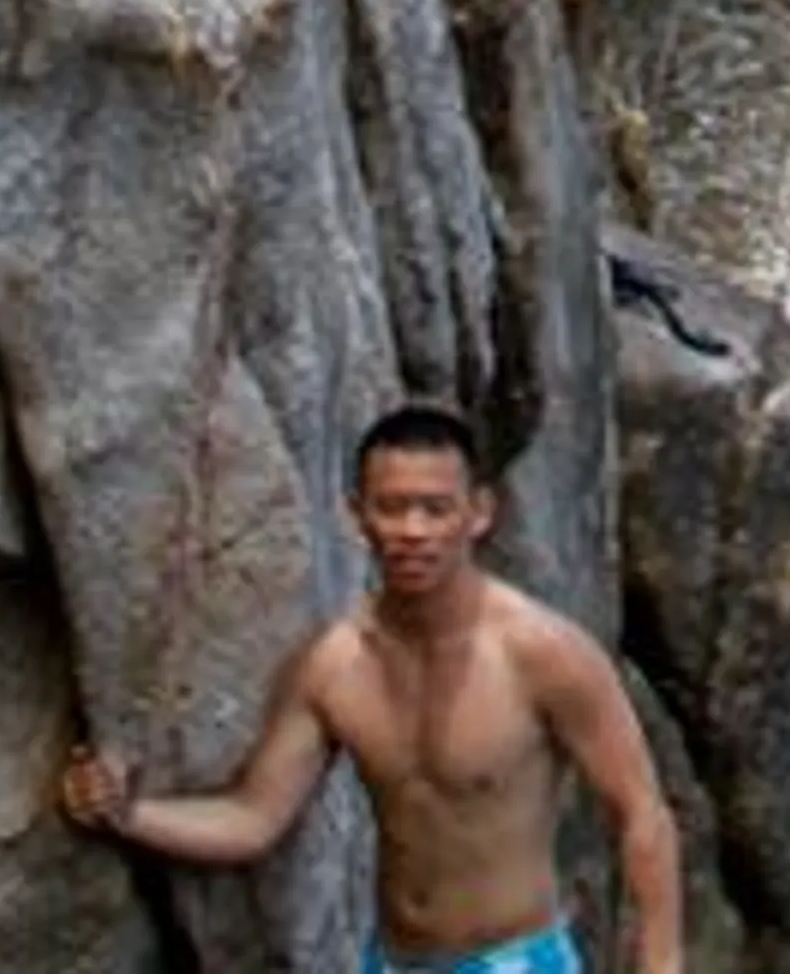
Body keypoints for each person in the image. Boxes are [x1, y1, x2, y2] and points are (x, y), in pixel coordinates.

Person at [61, 395, 682, 974]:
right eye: (392, 507)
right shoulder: (334, 664)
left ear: (479, 514)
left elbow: (642, 814)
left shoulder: (542, 654)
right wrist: (126, 814)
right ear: (357, 514)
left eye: (436, 509)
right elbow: (253, 818)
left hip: (513, 961)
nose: (413, 530)